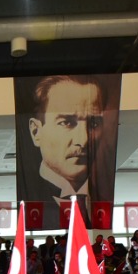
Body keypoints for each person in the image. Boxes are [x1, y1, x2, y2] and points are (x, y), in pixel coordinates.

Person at [20, 74, 110, 217]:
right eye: (67, 122)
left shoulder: (104, 203)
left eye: (93, 124)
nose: (84, 139)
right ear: (36, 132)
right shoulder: (29, 203)